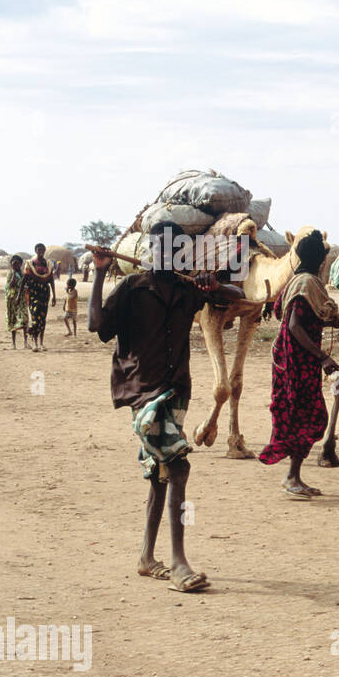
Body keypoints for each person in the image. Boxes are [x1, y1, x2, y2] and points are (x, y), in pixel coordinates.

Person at [88, 221, 245, 592]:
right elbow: (97, 325)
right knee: (178, 465)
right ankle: (178, 563)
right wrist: (97, 275)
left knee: (160, 475)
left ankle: (146, 557)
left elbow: (238, 293)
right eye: (160, 248)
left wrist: (213, 285)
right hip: (142, 394)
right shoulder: (132, 288)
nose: (167, 254)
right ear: (148, 251)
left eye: (175, 249)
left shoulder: (186, 290)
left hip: (176, 392)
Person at [257, 230, 339, 498]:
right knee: (308, 415)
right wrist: (323, 357)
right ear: (322, 259)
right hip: (298, 362)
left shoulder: (296, 282)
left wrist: (327, 321)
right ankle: (291, 476)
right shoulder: (307, 284)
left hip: (294, 359)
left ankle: (294, 476)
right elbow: (294, 324)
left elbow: (290, 315)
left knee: (303, 414)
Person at [23, 243, 55, 351]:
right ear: (35, 251)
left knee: (43, 318)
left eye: (42, 250)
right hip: (34, 294)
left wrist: (54, 296)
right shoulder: (31, 264)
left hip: (44, 294)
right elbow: (25, 279)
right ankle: (35, 343)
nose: (41, 251)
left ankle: (41, 343)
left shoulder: (48, 264)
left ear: (44, 251)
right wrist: (20, 294)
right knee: (35, 317)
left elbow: (51, 280)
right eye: (39, 250)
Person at [5, 255, 29, 348]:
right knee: (12, 320)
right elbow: (10, 285)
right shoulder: (10, 273)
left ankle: (25, 342)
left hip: (22, 299)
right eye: (13, 264)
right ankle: (13, 343)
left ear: (20, 264)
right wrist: (14, 273)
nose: (15, 266)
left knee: (25, 320)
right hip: (12, 300)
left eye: (17, 264)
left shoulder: (23, 274)